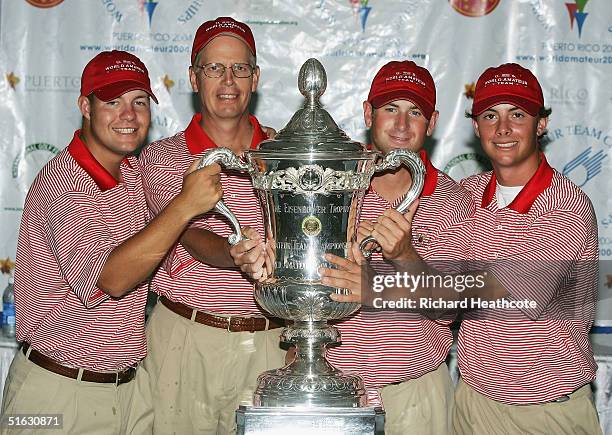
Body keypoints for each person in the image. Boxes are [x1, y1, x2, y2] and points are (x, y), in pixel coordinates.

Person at [327, 63, 601, 435]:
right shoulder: (469, 193)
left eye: (517, 114)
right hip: (472, 401)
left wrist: (384, 275)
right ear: (476, 127)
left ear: (541, 124)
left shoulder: (565, 205)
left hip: (545, 408)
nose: (503, 129)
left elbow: (510, 297)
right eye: (491, 115)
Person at [2, 50, 222, 435]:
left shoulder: (134, 171)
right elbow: (112, 278)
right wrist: (185, 204)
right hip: (57, 395)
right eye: (112, 102)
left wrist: (263, 141)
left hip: (130, 392)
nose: (129, 115)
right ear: (85, 107)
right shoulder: (63, 182)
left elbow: (183, 211)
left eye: (139, 102)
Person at [139, 17, 285, 434]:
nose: (228, 80)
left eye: (240, 68)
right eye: (214, 68)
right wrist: (234, 252)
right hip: (186, 338)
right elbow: (190, 233)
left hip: (270, 342)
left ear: (255, 78)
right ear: (193, 77)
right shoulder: (162, 158)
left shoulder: (284, 153)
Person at [321, 60, 474, 435]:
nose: (402, 124)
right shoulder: (329, 185)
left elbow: (451, 309)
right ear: (367, 113)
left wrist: (404, 256)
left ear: (433, 122)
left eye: (415, 112)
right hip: (331, 389)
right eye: (390, 109)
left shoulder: (452, 199)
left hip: (415, 395)